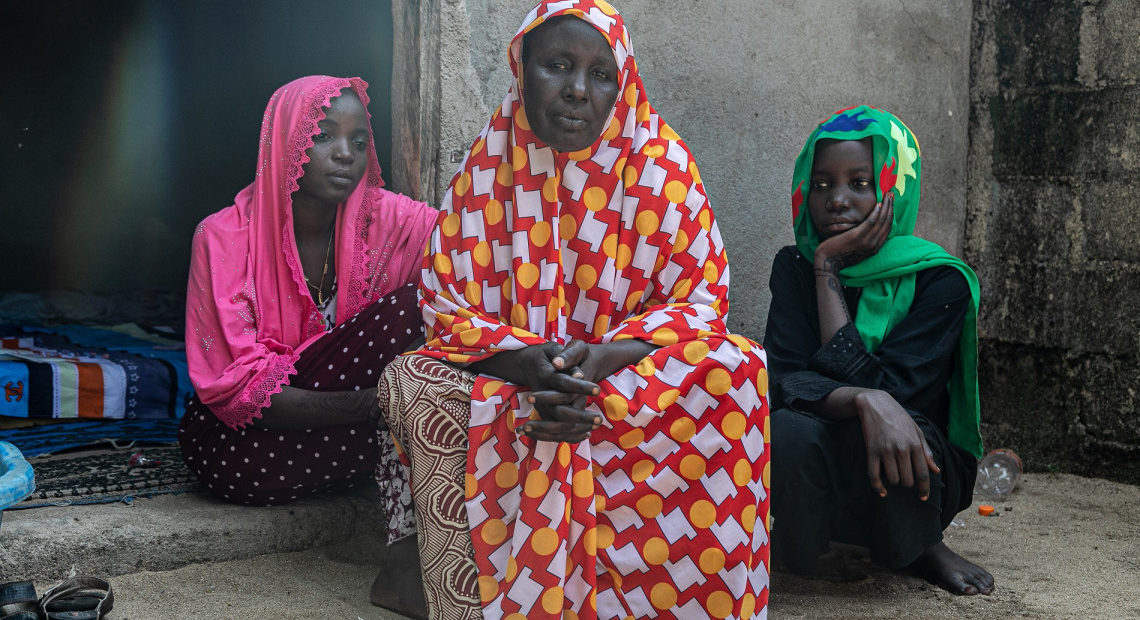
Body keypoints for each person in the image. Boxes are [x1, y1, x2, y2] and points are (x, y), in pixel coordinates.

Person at [378, 2, 771, 619]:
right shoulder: (486, 169)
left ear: (622, 84)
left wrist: (602, 363)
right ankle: (457, 594)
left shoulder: (662, 168)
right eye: (557, 66)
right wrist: (528, 366)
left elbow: (701, 303)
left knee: (739, 372)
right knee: (411, 379)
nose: (576, 91)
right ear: (521, 69)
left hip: (624, 391)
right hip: (516, 387)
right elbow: (444, 303)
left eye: (599, 74)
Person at [178, 76, 436, 597]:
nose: (345, 155)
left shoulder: (391, 222)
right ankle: (395, 446)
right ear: (285, 142)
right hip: (243, 441)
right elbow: (237, 392)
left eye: (359, 141)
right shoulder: (222, 238)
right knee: (415, 415)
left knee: (421, 317)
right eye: (324, 136)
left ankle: (409, 562)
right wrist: (376, 405)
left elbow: (469, 252)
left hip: (340, 436)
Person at [763, 105, 994, 595]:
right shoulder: (796, 268)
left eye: (860, 183)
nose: (837, 200)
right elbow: (779, 383)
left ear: (893, 188)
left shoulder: (941, 280)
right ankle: (803, 548)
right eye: (821, 185)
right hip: (824, 459)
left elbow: (900, 392)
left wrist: (875, 399)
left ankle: (918, 547)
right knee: (787, 428)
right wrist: (825, 267)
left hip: (912, 465)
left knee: (901, 424)